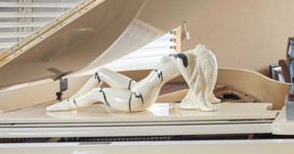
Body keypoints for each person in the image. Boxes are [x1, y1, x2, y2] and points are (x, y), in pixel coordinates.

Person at [47, 44, 219, 112]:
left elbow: (191, 80)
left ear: (203, 59)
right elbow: (167, 60)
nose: (205, 47)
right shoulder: (187, 57)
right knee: (101, 72)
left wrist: (201, 98)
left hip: (138, 99)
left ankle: (69, 105)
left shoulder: (185, 61)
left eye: (206, 51)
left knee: (98, 93)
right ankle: (71, 100)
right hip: (136, 87)